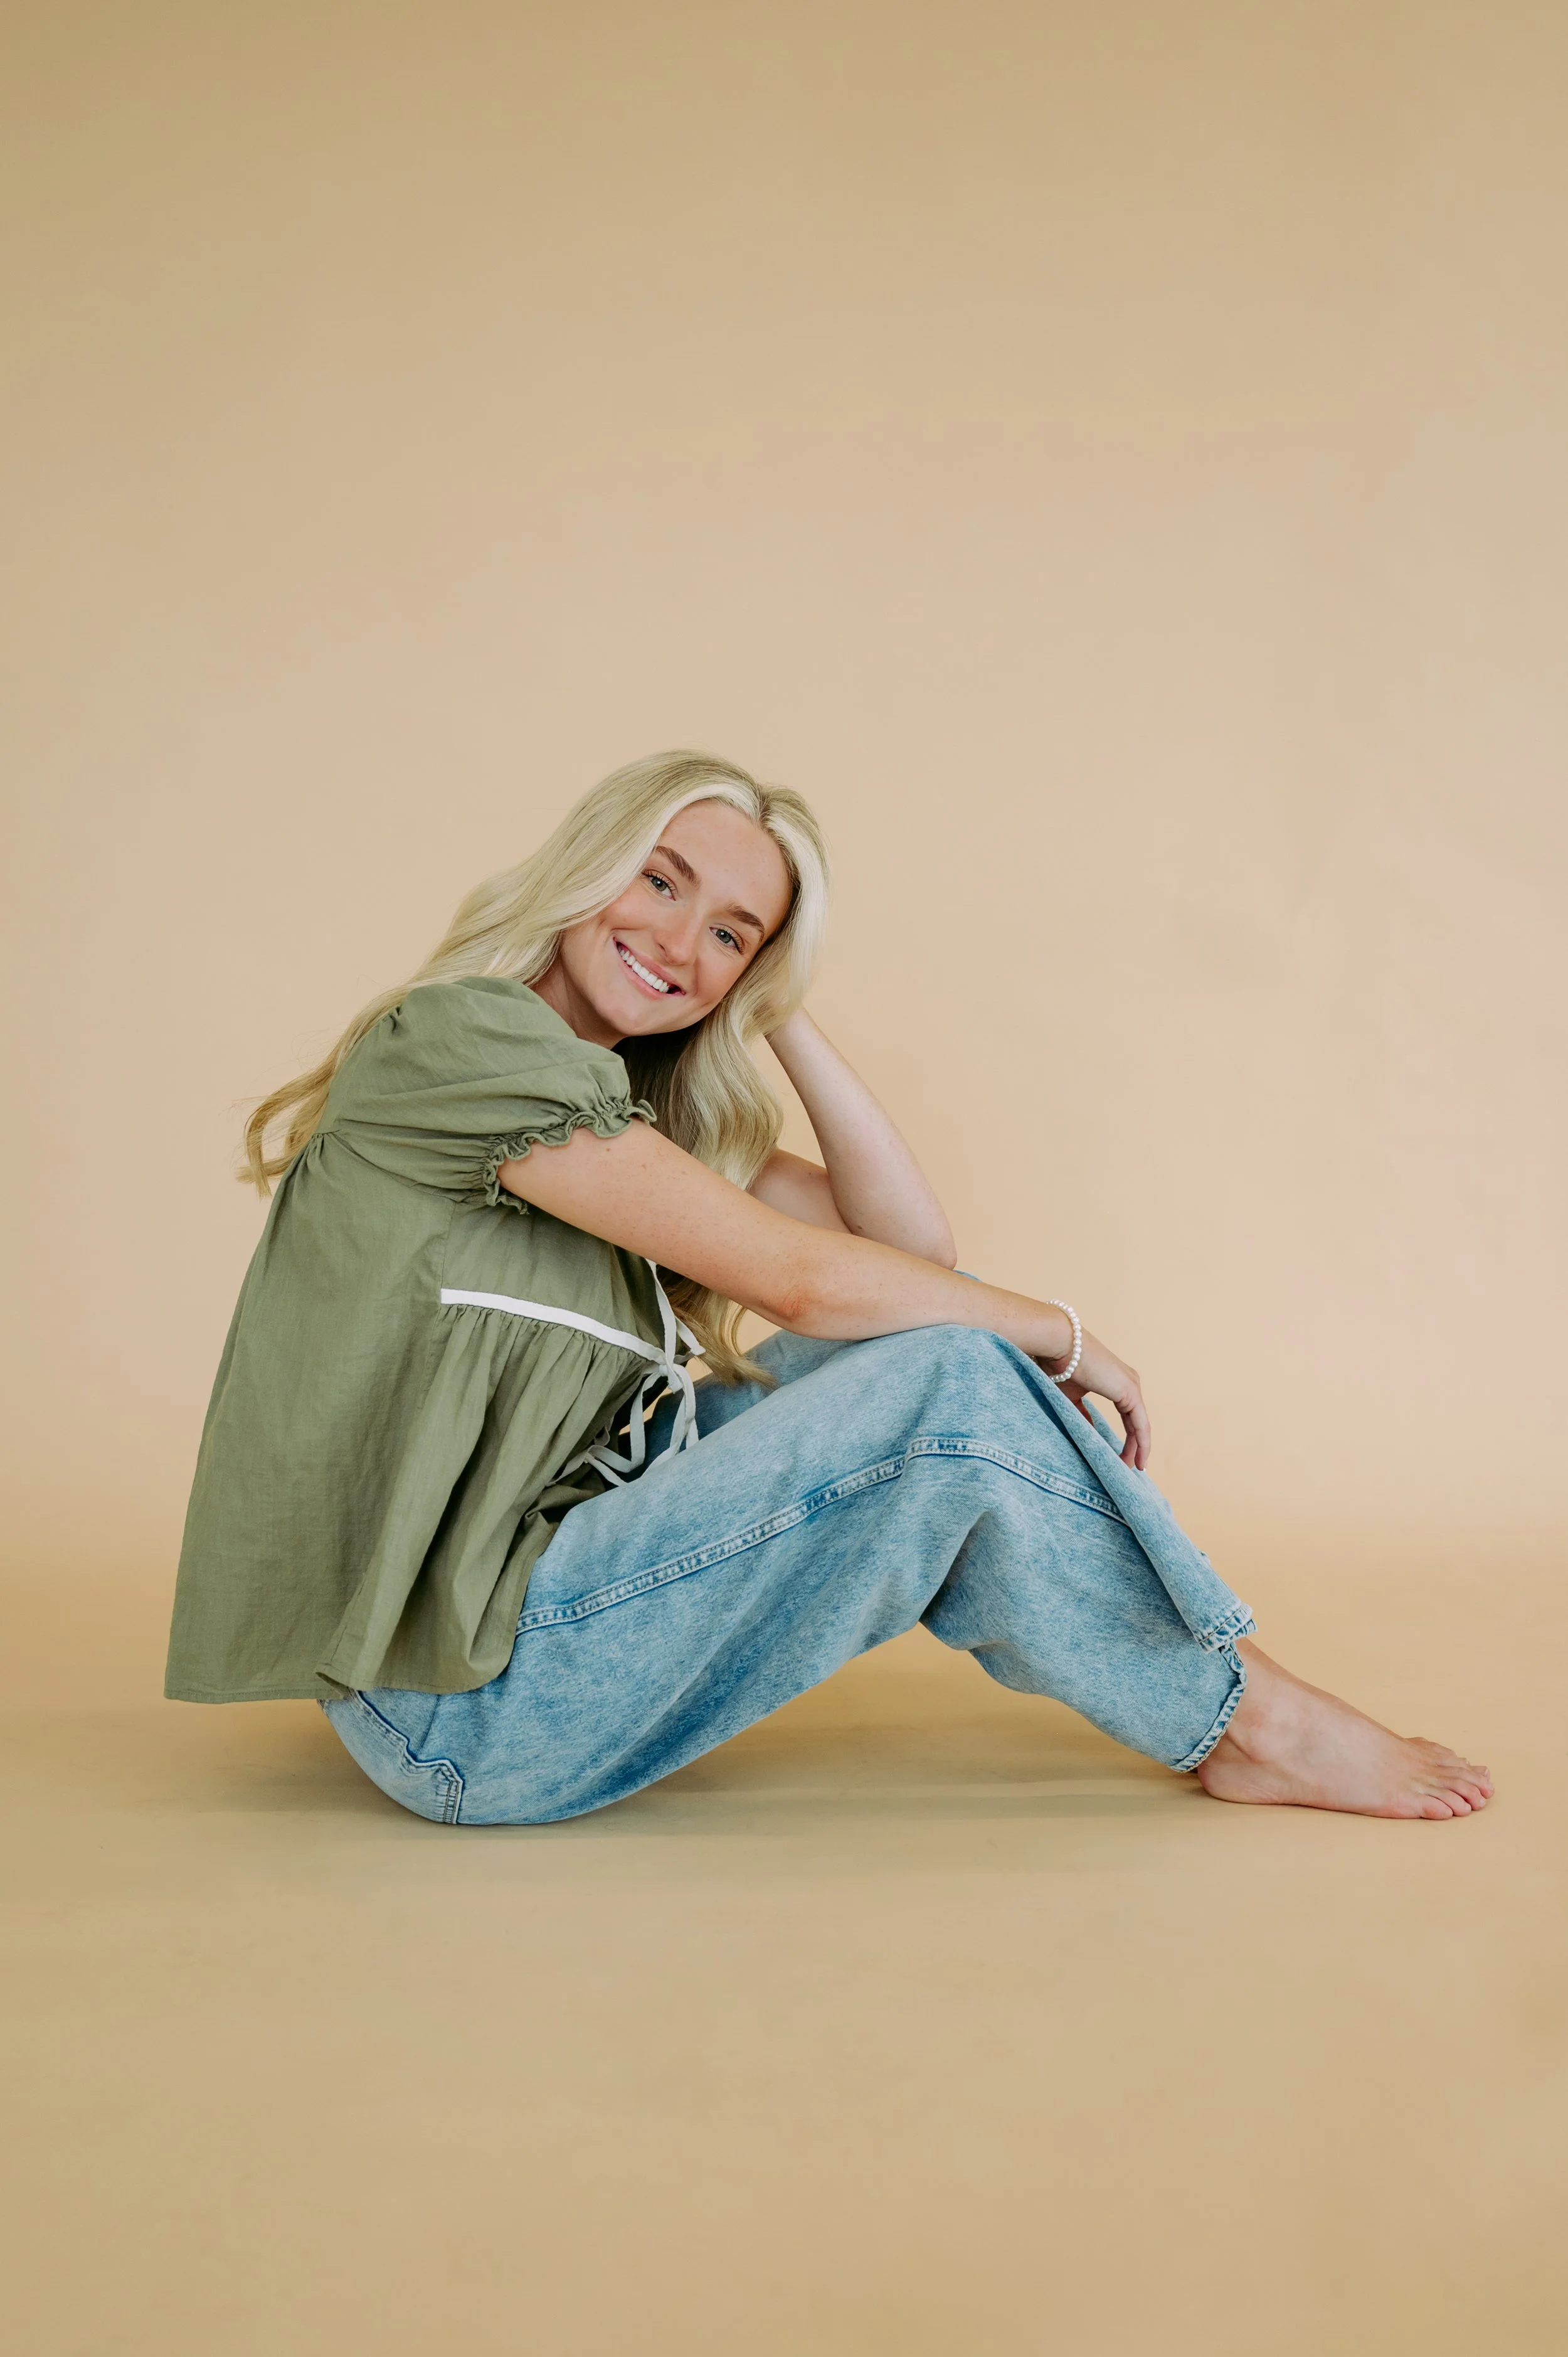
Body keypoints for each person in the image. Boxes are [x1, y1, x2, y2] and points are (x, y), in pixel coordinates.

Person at [165, 752, 1493, 1826]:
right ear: (585, 864)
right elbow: (804, 1282)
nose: (678, 939)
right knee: (952, 1368)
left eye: (729, 932)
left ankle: (1241, 1708)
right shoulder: (460, 1041)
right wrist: (1070, 1336)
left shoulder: (622, 1111)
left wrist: (773, 1003)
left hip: (532, 1629)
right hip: (465, 1707)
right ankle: (1255, 1721)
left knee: (935, 1344)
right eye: (660, 880)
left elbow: (910, 1249)